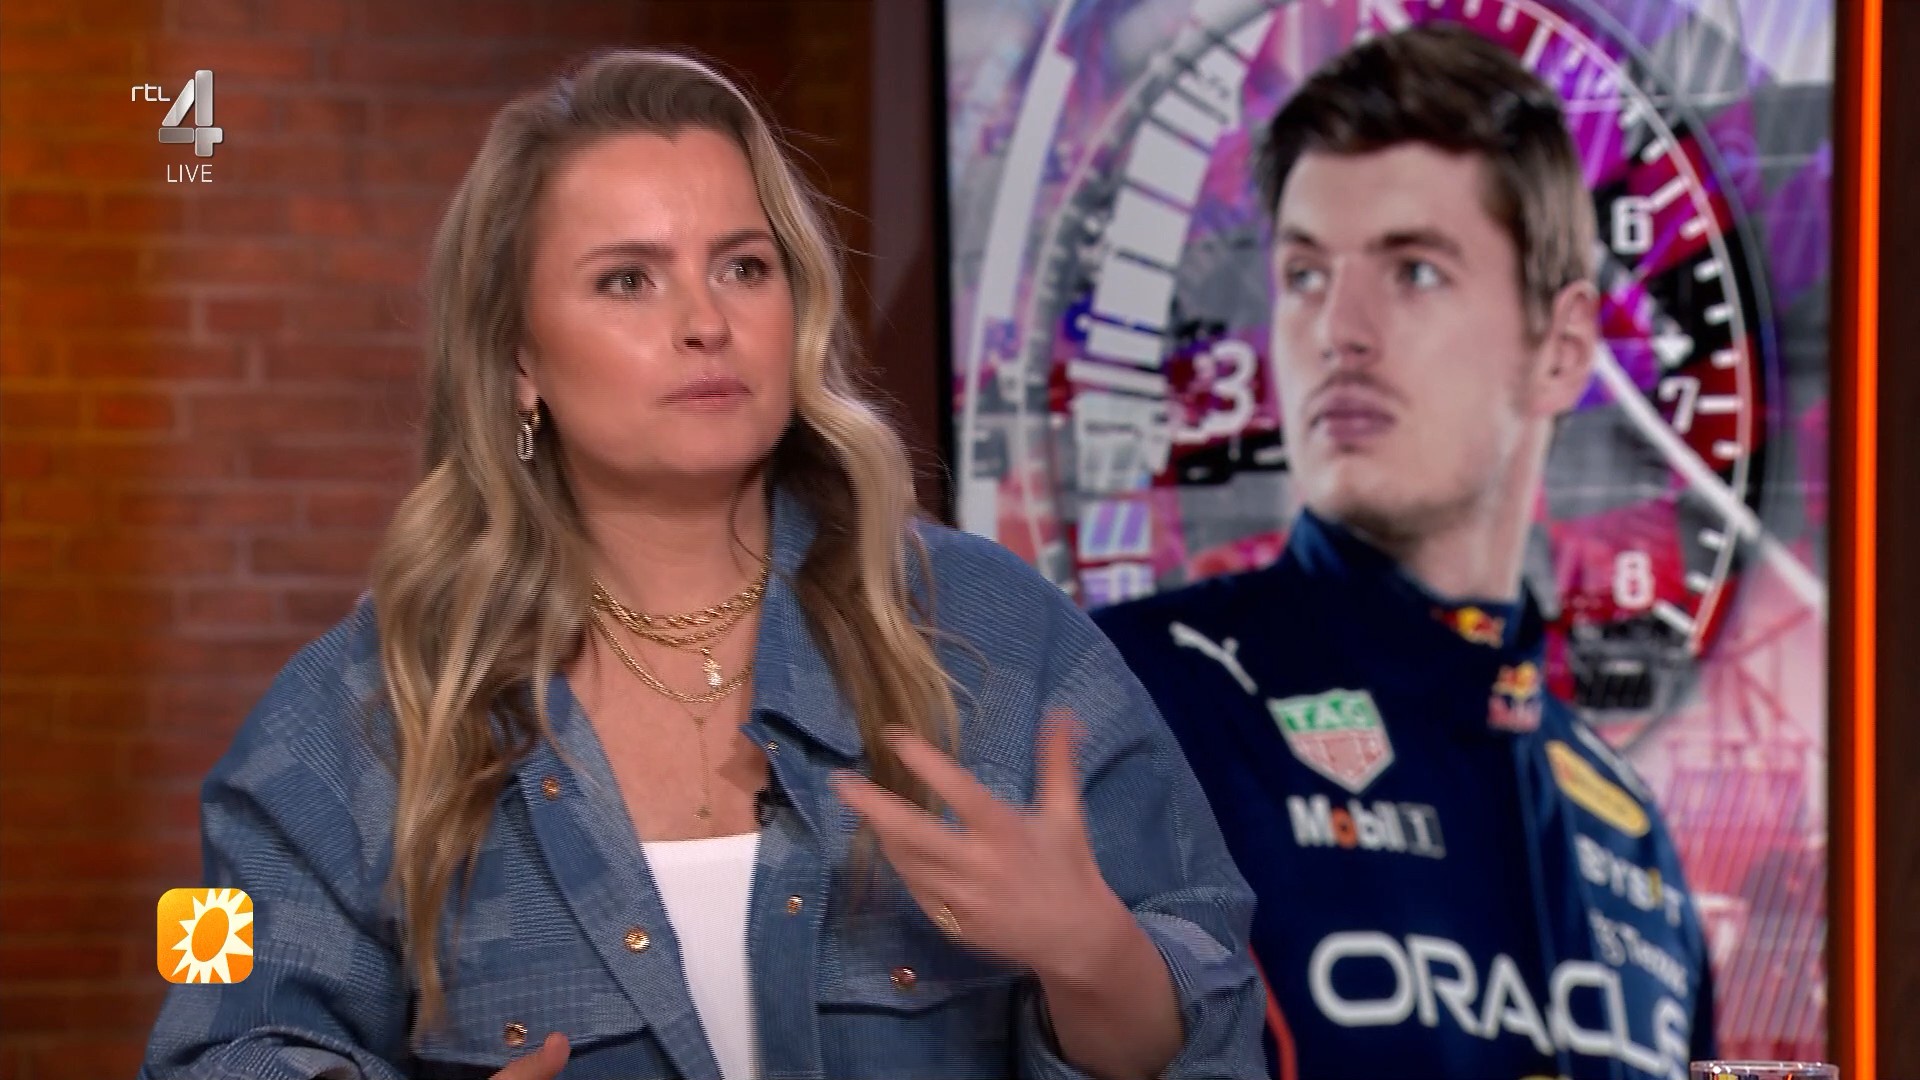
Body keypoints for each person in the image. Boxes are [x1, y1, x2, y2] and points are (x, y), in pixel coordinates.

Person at [140, 49, 1265, 1080]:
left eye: (744, 267)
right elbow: (206, 1037)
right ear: (520, 357)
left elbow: (1217, 1016)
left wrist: (1095, 960)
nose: (705, 323)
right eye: (628, 280)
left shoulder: (997, 638)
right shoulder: (347, 713)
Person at [1093, 23, 1716, 1080]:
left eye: (1415, 272)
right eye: (1304, 274)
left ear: (1562, 348)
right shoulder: (1133, 696)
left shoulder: (1631, 839)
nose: (1339, 330)